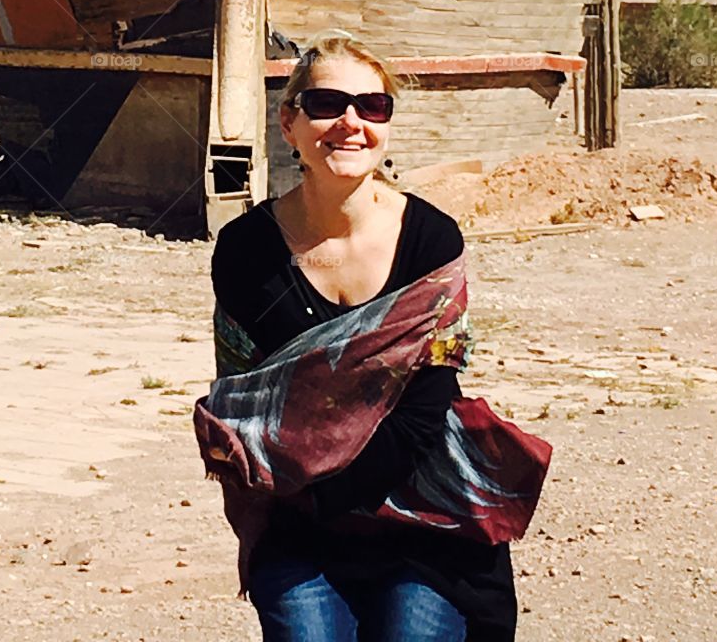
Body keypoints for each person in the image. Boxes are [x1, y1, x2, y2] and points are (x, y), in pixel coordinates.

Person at [198, 32, 546, 642]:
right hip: (297, 522)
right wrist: (302, 505)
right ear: (289, 122)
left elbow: (426, 408)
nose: (350, 123)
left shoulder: (432, 241)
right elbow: (243, 405)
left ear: (387, 125)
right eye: (327, 103)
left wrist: (330, 496)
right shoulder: (246, 250)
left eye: (372, 106)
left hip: (424, 514)